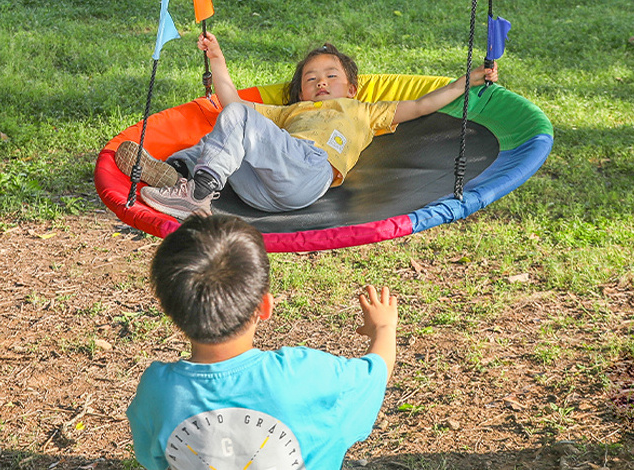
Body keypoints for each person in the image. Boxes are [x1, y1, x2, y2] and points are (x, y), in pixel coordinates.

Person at [120, 32, 497, 219]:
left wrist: (467, 80)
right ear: (299, 92)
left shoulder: (363, 110)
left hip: (310, 171)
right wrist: (217, 60)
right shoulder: (289, 115)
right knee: (224, 132)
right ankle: (178, 176)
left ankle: (196, 194)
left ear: (350, 88)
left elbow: (419, 105)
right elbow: (231, 103)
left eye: (330, 76)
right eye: (311, 78)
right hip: (260, 192)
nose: (320, 82)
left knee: (235, 123)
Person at [127, 213, 398, 470]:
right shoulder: (307, 375)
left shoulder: (157, 390)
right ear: (265, 306)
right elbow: (376, 373)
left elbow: (155, 458)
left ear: (170, 311)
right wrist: (384, 327)